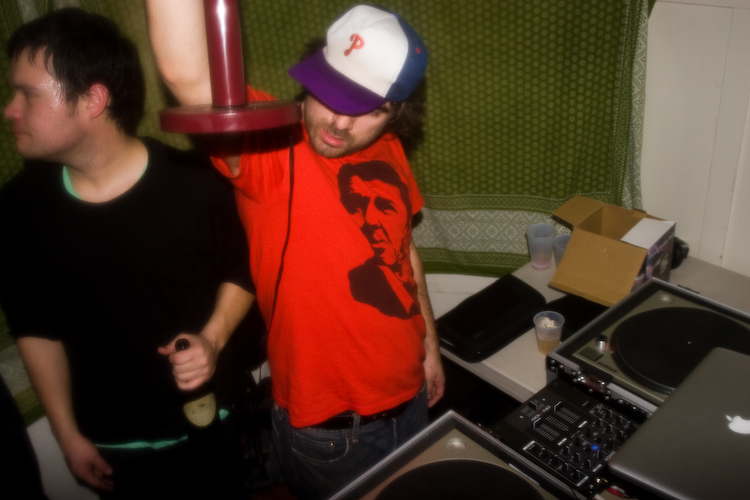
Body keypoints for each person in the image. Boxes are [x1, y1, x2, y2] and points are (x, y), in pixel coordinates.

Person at [146, 3, 446, 498]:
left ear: (397, 111)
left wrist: (429, 346)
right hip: (334, 434)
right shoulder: (270, 145)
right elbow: (188, 75)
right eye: (331, 93)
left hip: (411, 396)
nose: (340, 122)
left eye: (369, 108)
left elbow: (402, 251)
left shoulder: (388, 147)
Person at [0, 8, 255, 499]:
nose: (10, 110)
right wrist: (65, 434)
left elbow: (240, 269)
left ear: (93, 100)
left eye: (27, 94)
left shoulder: (195, 182)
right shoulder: (17, 210)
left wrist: (212, 339)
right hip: (111, 445)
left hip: (210, 422)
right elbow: (35, 327)